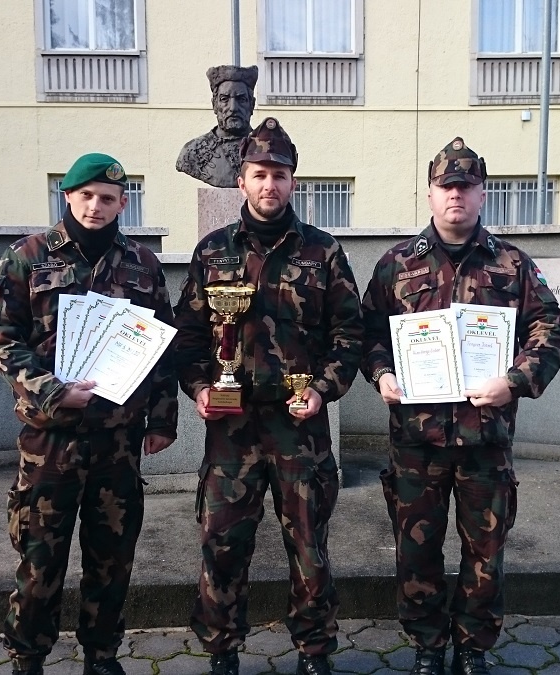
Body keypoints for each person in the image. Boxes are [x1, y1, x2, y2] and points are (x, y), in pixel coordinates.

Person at [359, 138, 560, 675]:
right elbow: (367, 333)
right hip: (416, 441)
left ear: (482, 194)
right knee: (416, 551)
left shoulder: (512, 263)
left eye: (466, 186)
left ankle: (473, 647)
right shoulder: (397, 263)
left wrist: (515, 382)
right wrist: (381, 374)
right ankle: (428, 645)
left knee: (486, 550)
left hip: (485, 438)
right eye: (446, 185)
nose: (456, 194)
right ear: (430, 193)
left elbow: (549, 327)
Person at [174, 117, 363, 675]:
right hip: (231, 431)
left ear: (293, 181)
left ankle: (314, 650)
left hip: (299, 427)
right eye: (259, 174)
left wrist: (323, 390)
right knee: (223, 543)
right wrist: (200, 388)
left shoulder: (323, 252)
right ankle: (222, 650)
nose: (269, 185)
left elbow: (349, 335)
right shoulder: (212, 251)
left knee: (308, 546)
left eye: (279, 175)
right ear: (242, 181)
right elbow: (188, 336)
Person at [0, 153, 178, 675]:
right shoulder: (27, 257)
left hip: (118, 441)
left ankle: (102, 655)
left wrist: (162, 420)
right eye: (86, 195)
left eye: (108, 198)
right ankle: (28, 658)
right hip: (51, 440)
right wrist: (51, 390)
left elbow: (161, 347)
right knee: (40, 558)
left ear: (122, 204)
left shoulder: (142, 263)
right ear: (67, 196)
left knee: (112, 558)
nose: (96, 206)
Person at [176, 65, 259, 188]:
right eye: (224, 99)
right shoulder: (192, 152)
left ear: (252, 105)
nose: (233, 108)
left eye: (241, 99)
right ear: (214, 105)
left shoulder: (268, 147)